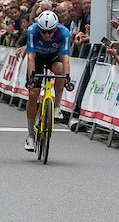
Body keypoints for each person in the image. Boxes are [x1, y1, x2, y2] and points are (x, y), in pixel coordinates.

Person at [24, 10, 73, 152]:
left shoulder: (63, 32)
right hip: (37, 58)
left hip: (53, 56)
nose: (46, 35)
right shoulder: (32, 30)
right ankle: (30, 136)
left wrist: (67, 77)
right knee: (33, 94)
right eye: (43, 31)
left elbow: (65, 58)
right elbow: (31, 57)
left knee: (60, 70)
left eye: (50, 32)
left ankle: (57, 106)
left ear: (55, 28)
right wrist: (32, 78)